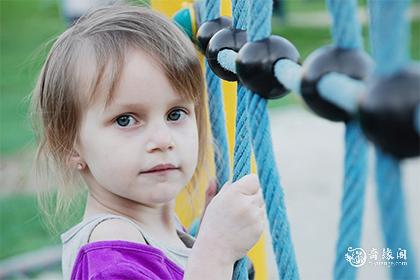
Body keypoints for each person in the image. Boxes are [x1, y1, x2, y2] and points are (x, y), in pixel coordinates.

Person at [31, 4, 265, 280]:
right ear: (69, 143)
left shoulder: (151, 231)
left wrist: (202, 238)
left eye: (175, 114)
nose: (163, 141)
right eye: (126, 119)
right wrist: (216, 249)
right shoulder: (111, 252)